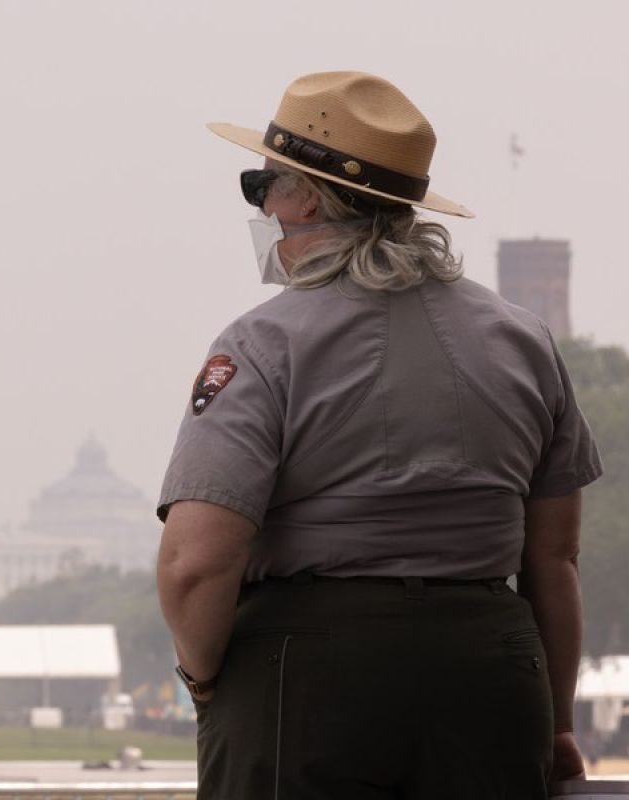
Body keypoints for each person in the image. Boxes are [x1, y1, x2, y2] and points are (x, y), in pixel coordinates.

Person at [154, 71, 602, 800]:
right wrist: (553, 727)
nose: (262, 206)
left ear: (303, 197)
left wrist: (206, 684)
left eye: (261, 185)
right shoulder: (524, 340)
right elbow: (554, 558)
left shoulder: (265, 343)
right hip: (491, 674)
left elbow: (195, 565)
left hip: (306, 675)